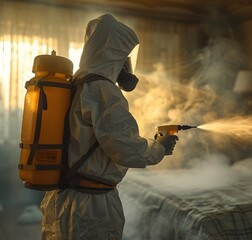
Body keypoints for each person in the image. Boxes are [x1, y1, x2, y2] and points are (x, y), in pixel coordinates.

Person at [40, 14, 178, 239]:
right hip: (90, 205)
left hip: (63, 197)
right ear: (113, 55)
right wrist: (159, 147)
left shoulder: (77, 84)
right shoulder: (103, 90)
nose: (127, 65)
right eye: (124, 56)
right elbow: (124, 148)